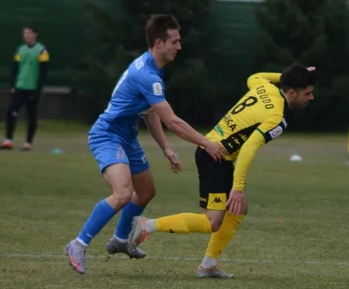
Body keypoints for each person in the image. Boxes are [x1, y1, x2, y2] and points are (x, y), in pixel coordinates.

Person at [64, 14, 227, 275]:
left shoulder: (153, 69)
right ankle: (78, 244)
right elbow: (172, 121)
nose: (179, 47)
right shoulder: (147, 75)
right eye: (175, 41)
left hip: (127, 137)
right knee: (123, 193)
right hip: (107, 135)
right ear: (159, 43)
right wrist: (206, 143)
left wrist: (165, 148)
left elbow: (151, 112)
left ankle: (119, 240)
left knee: (147, 191)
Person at [128, 64, 318, 278]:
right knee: (212, 222)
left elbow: (253, 76)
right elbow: (248, 149)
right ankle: (147, 225)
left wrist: (287, 77)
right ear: (291, 92)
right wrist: (238, 188)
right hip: (214, 157)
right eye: (307, 93)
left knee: (238, 210)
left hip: (217, 156)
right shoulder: (277, 117)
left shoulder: (264, 86)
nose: (311, 97)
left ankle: (208, 266)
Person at [0, 25, 49, 151]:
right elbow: (15, 68)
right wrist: (12, 85)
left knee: (31, 115)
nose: (26, 36)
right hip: (20, 87)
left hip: (32, 88)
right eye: (25, 33)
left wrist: (38, 89)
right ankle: (8, 140)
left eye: (29, 33)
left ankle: (28, 143)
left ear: (35, 34)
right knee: (11, 112)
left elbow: (43, 72)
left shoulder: (42, 51)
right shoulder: (20, 49)